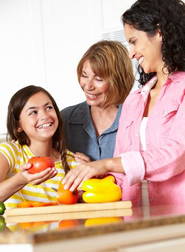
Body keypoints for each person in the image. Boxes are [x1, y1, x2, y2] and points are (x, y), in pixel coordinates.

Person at [62, 0, 185, 207]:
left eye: (134, 41)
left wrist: (106, 163)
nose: (131, 53)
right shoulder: (134, 101)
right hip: (135, 218)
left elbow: (178, 153)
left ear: (159, 33)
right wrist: (91, 176)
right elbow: (122, 174)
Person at [0, 85, 77, 208]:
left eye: (49, 107)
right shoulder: (10, 152)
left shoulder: (72, 162)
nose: (45, 116)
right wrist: (21, 179)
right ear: (18, 126)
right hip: (16, 228)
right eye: (33, 112)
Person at [60, 40, 134, 163]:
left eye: (98, 79)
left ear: (118, 80)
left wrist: (95, 171)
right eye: (84, 75)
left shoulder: (135, 120)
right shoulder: (65, 118)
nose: (88, 86)